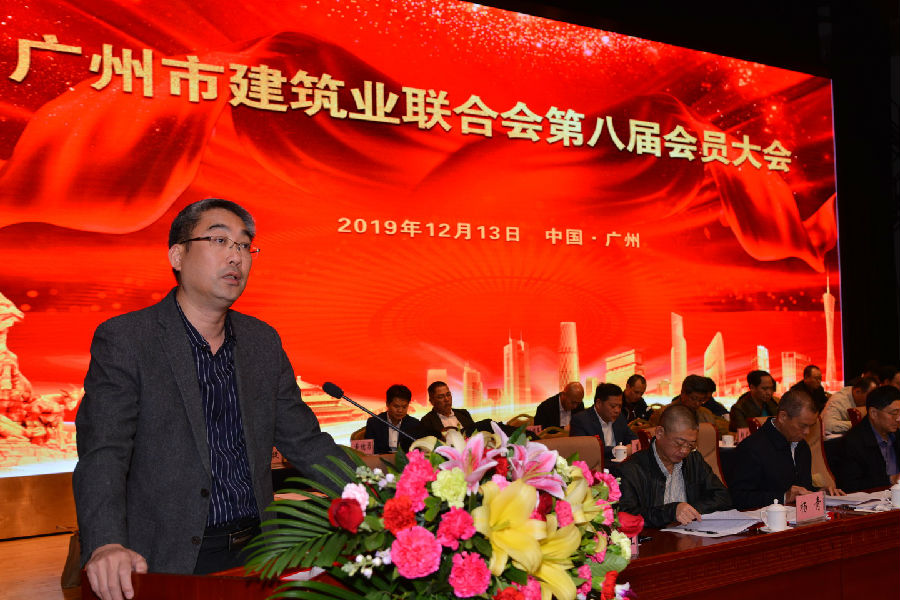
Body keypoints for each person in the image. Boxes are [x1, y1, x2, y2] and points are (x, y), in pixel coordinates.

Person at [73, 199, 350, 599]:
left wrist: (380, 495)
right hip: (167, 557)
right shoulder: (128, 339)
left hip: (259, 551)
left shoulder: (261, 341)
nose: (236, 256)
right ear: (177, 255)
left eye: (245, 246)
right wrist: (105, 543)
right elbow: (104, 451)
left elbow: (305, 442)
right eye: (219, 240)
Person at [618, 405, 731, 528]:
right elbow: (625, 516)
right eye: (679, 443)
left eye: (691, 445)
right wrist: (671, 512)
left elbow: (723, 497)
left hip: (691, 535)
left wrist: (689, 510)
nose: (684, 451)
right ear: (660, 433)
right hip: (654, 538)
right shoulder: (631, 469)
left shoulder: (693, 460)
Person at [728, 389, 843, 509]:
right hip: (766, 518)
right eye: (803, 425)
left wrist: (819, 492)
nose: (807, 432)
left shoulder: (802, 446)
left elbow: (801, 489)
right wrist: (783, 497)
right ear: (783, 417)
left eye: (811, 426)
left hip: (798, 515)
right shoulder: (752, 447)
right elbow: (738, 498)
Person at [832, 385, 900, 492]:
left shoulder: (896, 435)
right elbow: (849, 486)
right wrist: (890, 480)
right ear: (873, 413)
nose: (898, 418)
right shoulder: (852, 442)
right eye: (894, 413)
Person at [569, 383, 637, 458]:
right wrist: (618, 451)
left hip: (621, 463)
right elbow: (584, 450)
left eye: (620, 406)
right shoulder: (581, 420)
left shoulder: (619, 417)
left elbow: (633, 439)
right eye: (613, 406)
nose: (617, 410)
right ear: (598, 404)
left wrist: (634, 445)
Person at [650, 375, 728, 436]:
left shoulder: (706, 414)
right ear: (683, 393)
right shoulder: (663, 413)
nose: (697, 404)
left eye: (701, 400)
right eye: (693, 399)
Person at [364, 384, 421, 454]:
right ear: (387, 404)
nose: (400, 410)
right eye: (396, 406)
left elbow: (416, 450)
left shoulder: (414, 424)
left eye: (404, 407)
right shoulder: (374, 423)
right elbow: (369, 452)